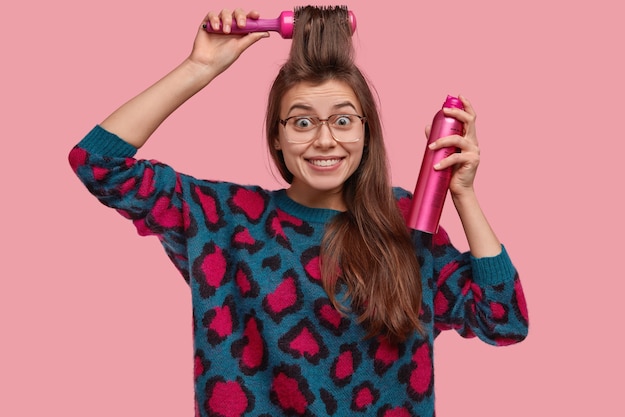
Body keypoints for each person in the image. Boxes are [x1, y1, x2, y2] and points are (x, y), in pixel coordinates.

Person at [68, 6, 528, 417]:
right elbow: (98, 163)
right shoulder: (223, 219)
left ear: (366, 134)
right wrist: (199, 68)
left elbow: (503, 319)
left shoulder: (403, 220)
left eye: (343, 120)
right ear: (277, 137)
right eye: (302, 122)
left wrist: (463, 193)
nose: (325, 140)